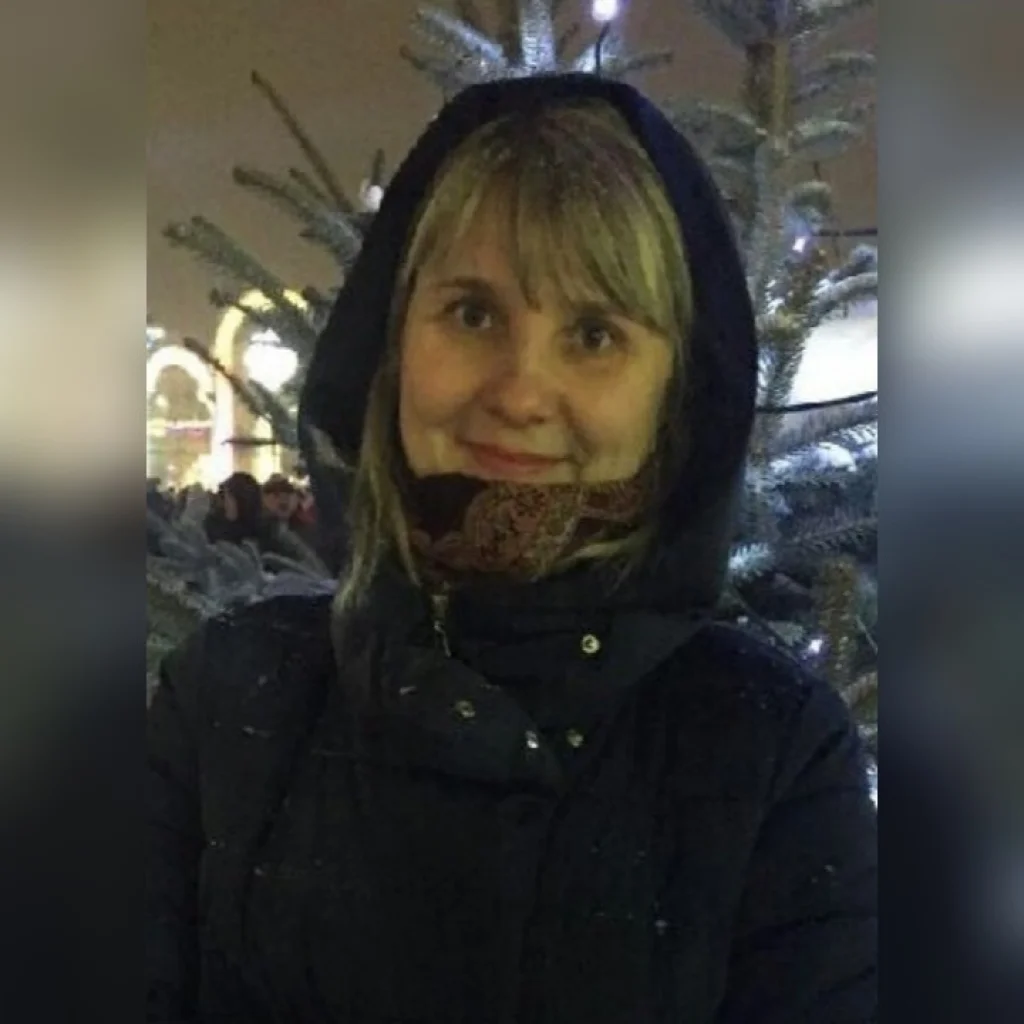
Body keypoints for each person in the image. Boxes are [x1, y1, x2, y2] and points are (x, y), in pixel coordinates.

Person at [148, 74, 877, 1023]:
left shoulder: (769, 752)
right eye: (474, 314)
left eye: (593, 333)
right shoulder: (231, 700)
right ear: (394, 342)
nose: (522, 392)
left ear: (674, 394)